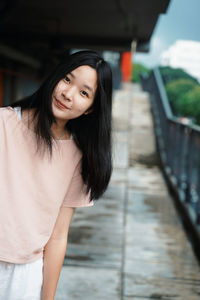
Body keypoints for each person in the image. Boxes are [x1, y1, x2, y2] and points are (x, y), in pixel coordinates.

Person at [0, 50, 113, 300]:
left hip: (25, 276)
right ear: (55, 78)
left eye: (84, 93)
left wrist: (47, 297)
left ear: (90, 110)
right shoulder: (4, 124)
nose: (68, 94)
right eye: (67, 80)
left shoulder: (77, 156)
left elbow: (58, 235)